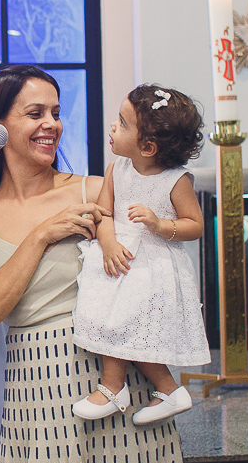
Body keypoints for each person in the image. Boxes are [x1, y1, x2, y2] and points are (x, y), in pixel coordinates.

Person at [0, 66, 194, 463]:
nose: (52, 124)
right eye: (35, 113)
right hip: (37, 388)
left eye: (56, 113)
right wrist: (41, 235)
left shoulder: (95, 189)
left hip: (117, 378)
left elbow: (158, 258)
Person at [71, 85, 210, 424]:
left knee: (126, 323)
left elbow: (195, 225)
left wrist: (161, 224)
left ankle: (115, 387)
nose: (112, 128)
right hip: (117, 257)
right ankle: (165, 391)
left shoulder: (176, 181)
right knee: (108, 318)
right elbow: (103, 213)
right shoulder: (116, 169)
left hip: (151, 265)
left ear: (148, 146)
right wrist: (107, 243)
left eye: (122, 123)